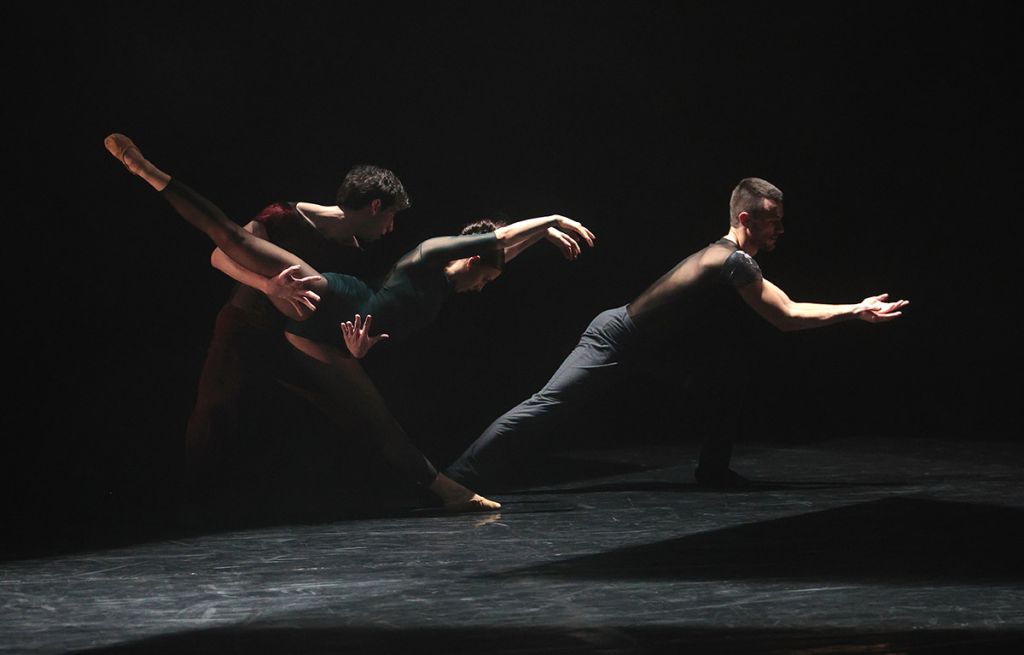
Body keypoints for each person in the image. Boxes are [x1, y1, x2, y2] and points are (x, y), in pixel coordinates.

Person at [105, 133, 594, 511]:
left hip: (324, 336)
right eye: (484, 279)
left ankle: (442, 491)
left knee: (375, 419)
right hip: (328, 301)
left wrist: (541, 237)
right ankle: (148, 171)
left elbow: (499, 251)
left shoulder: (444, 282)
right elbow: (497, 242)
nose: (482, 288)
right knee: (232, 240)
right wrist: (552, 220)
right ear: (469, 261)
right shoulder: (429, 255)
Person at [445, 177, 909, 490]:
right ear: (746, 220)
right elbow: (786, 315)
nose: (780, 229)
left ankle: (713, 470)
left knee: (728, 378)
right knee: (546, 405)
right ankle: (457, 477)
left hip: (651, 351)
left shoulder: (729, 258)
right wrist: (856, 310)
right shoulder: (731, 260)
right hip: (615, 339)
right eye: (773, 220)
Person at [185, 162, 406, 497]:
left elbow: (334, 310)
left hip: (295, 341)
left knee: (348, 412)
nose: (391, 228)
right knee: (214, 411)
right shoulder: (284, 216)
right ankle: (194, 498)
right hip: (245, 325)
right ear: (375, 206)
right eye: (391, 216)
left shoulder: (355, 253)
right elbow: (220, 255)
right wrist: (266, 285)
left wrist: (352, 346)